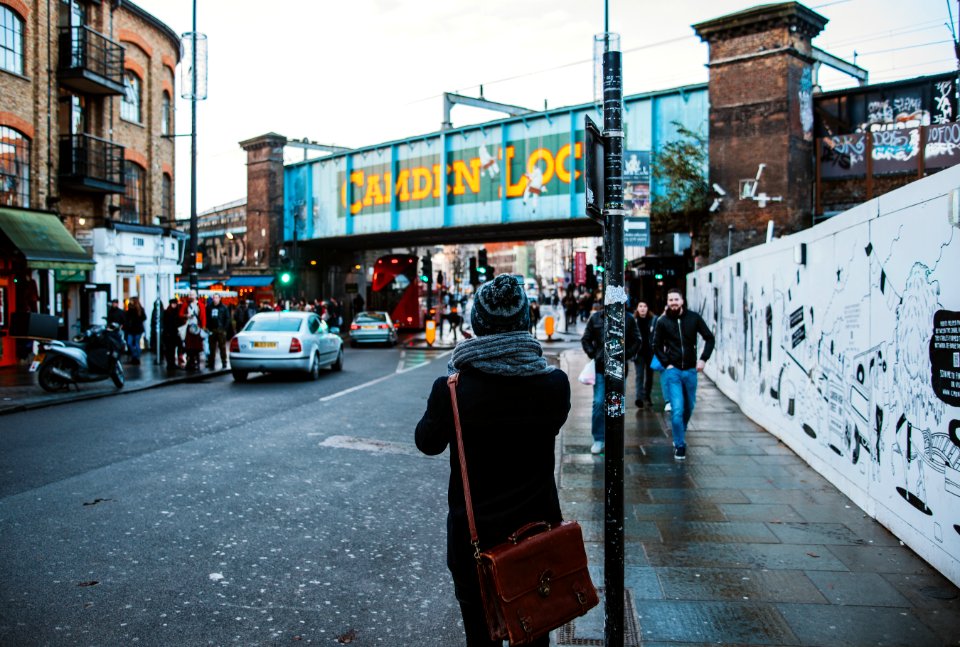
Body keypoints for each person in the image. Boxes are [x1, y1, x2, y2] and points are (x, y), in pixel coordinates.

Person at [415, 274, 569, 647]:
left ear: (477, 325)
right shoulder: (554, 386)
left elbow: (427, 442)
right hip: (535, 537)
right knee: (534, 633)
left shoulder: (452, 390)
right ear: (525, 323)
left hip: (474, 543)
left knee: (480, 639)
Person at [652, 288, 716, 461]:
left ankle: (680, 430)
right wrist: (667, 364)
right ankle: (680, 444)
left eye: (676, 299)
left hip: (690, 371)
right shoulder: (662, 321)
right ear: (667, 302)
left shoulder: (693, 318)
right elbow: (656, 344)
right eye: (670, 299)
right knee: (678, 409)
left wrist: (703, 359)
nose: (673, 302)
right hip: (673, 372)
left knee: (689, 407)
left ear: (682, 301)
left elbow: (709, 338)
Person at [580, 300, 640, 454]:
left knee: (616, 404)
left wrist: (625, 356)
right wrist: (594, 354)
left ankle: (614, 437)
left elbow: (637, 340)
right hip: (600, 368)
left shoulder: (628, 318)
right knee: (599, 402)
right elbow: (586, 339)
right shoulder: (596, 318)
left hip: (620, 370)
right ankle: (599, 438)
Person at [633, 301, 655, 409]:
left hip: (650, 352)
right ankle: (639, 398)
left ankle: (647, 395)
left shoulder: (653, 320)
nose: (642, 308)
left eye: (645, 306)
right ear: (637, 308)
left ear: (648, 308)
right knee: (639, 375)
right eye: (640, 306)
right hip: (639, 353)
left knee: (650, 376)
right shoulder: (634, 320)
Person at [206, 294, 230, 370]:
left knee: (222, 347)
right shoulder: (209, 307)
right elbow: (207, 317)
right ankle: (211, 363)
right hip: (212, 329)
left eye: (217, 298)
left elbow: (227, 318)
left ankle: (224, 362)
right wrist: (208, 327)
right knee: (211, 347)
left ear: (219, 298)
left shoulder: (224, 307)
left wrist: (224, 329)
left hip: (220, 330)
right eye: (214, 298)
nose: (215, 299)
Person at [122, 296, 147, 365]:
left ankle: (136, 357)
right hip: (131, 329)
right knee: (130, 343)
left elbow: (144, 317)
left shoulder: (140, 309)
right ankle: (135, 356)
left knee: (136, 343)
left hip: (137, 329)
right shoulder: (130, 309)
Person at [161, 298, 183, 370]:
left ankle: (172, 363)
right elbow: (165, 323)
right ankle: (170, 364)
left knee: (173, 349)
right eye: (173, 304)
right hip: (169, 334)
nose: (174, 305)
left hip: (174, 334)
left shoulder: (175, 312)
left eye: (175, 304)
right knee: (169, 350)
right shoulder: (167, 312)